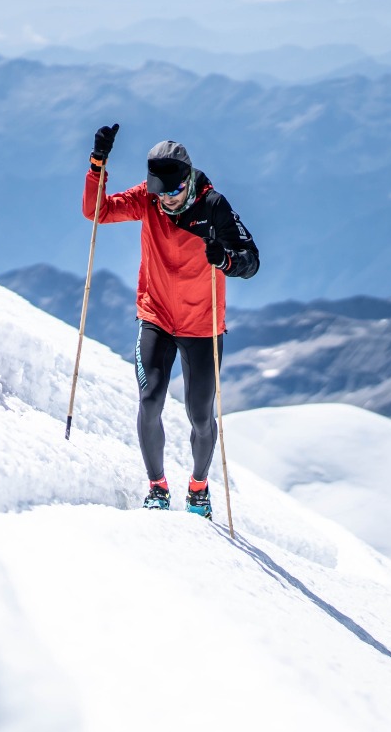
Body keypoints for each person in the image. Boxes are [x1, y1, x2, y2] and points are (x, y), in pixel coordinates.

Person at [83, 123, 260, 516]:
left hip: (202, 325)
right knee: (150, 400)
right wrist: (97, 165)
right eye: (158, 192)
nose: (164, 200)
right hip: (157, 316)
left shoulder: (214, 207)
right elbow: (97, 211)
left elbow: (251, 261)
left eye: (172, 192)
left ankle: (198, 488)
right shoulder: (147, 199)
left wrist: (226, 260)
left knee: (200, 417)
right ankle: (157, 487)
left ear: (189, 180)